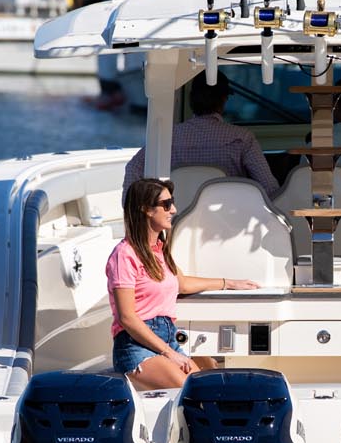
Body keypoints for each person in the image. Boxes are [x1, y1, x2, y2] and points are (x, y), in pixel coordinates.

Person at [107, 178, 259, 390]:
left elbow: (183, 283)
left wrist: (229, 283)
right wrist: (169, 353)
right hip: (136, 347)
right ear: (146, 209)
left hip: (167, 339)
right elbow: (127, 318)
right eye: (166, 204)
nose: (174, 210)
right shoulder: (124, 255)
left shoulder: (159, 250)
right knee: (192, 389)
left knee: (208, 388)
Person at [122, 73, 280, 198]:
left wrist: (137, 211)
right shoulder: (242, 138)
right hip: (229, 221)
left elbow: (134, 167)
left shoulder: (168, 137)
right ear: (224, 100)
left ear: (191, 100)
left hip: (178, 221)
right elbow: (269, 188)